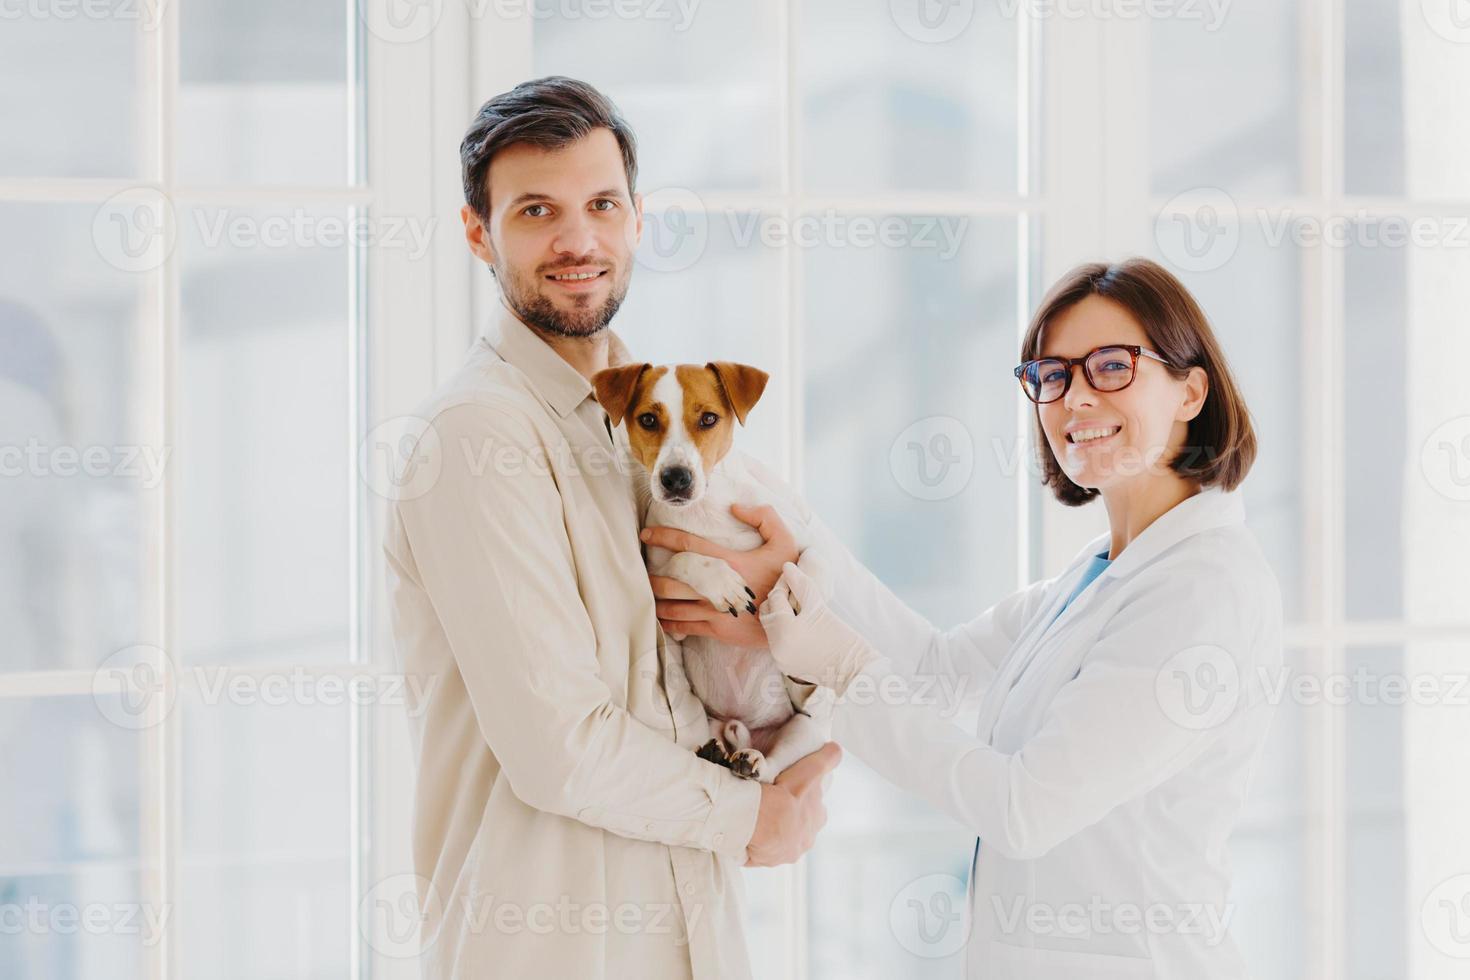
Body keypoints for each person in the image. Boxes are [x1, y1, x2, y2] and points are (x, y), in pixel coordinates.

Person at [649, 257, 1283, 979]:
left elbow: (1025, 809)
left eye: (1111, 366)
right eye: (1052, 376)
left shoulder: (1203, 590)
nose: (1074, 398)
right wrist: (792, 539)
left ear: (1190, 390)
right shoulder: (1092, 579)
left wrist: (837, 663)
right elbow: (935, 673)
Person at [382, 77, 840, 980]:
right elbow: (561, 748)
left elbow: (816, 604)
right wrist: (756, 815)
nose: (577, 240)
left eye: (601, 204)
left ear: (639, 220)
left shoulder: (661, 420)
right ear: (478, 233)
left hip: (690, 930)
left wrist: (780, 631)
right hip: (548, 948)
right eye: (535, 211)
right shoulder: (478, 438)